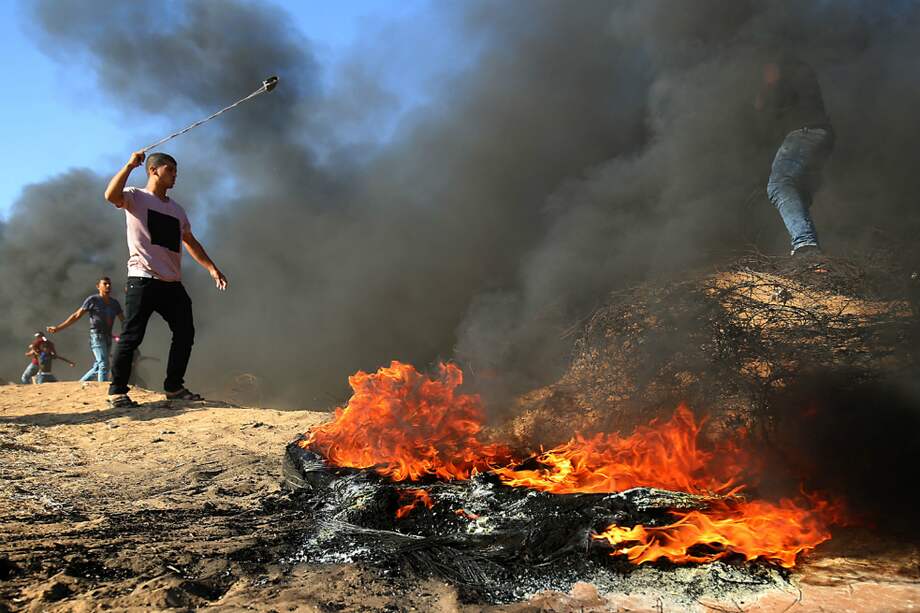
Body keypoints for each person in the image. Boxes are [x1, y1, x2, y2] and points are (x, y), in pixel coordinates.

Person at [103, 150, 228, 408]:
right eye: (170, 170)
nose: (175, 176)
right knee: (132, 335)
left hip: (172, 283)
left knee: (185, 331)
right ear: (153, 170)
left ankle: (174, 387)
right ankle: (117, 391)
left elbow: (190, 241)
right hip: (143, 278)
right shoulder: (135, 197)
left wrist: (211, 268)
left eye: (176, 171)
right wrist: (128, 165)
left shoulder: (177, 210)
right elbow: (110, 196)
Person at [756, 54, 834, 256]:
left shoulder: (787, 68)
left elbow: (768, 101)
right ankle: (812, 253)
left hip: (805, 133)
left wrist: (764, 94)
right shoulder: (801, 71)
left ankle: (805, 245)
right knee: (799, 193)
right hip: (821, 136)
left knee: (779, 184)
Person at [47, 277, 124, 382]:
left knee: (98, 366)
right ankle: (102, 392)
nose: (108, 286)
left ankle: (80, 383)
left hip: (108, 337)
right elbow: (76, 315)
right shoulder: (93, 300)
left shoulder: (114, 303)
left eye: (109, 284)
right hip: (96, 336)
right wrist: (58, 328)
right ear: (98, 286)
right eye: (105, 284)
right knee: (104, 364)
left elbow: (123, 320)